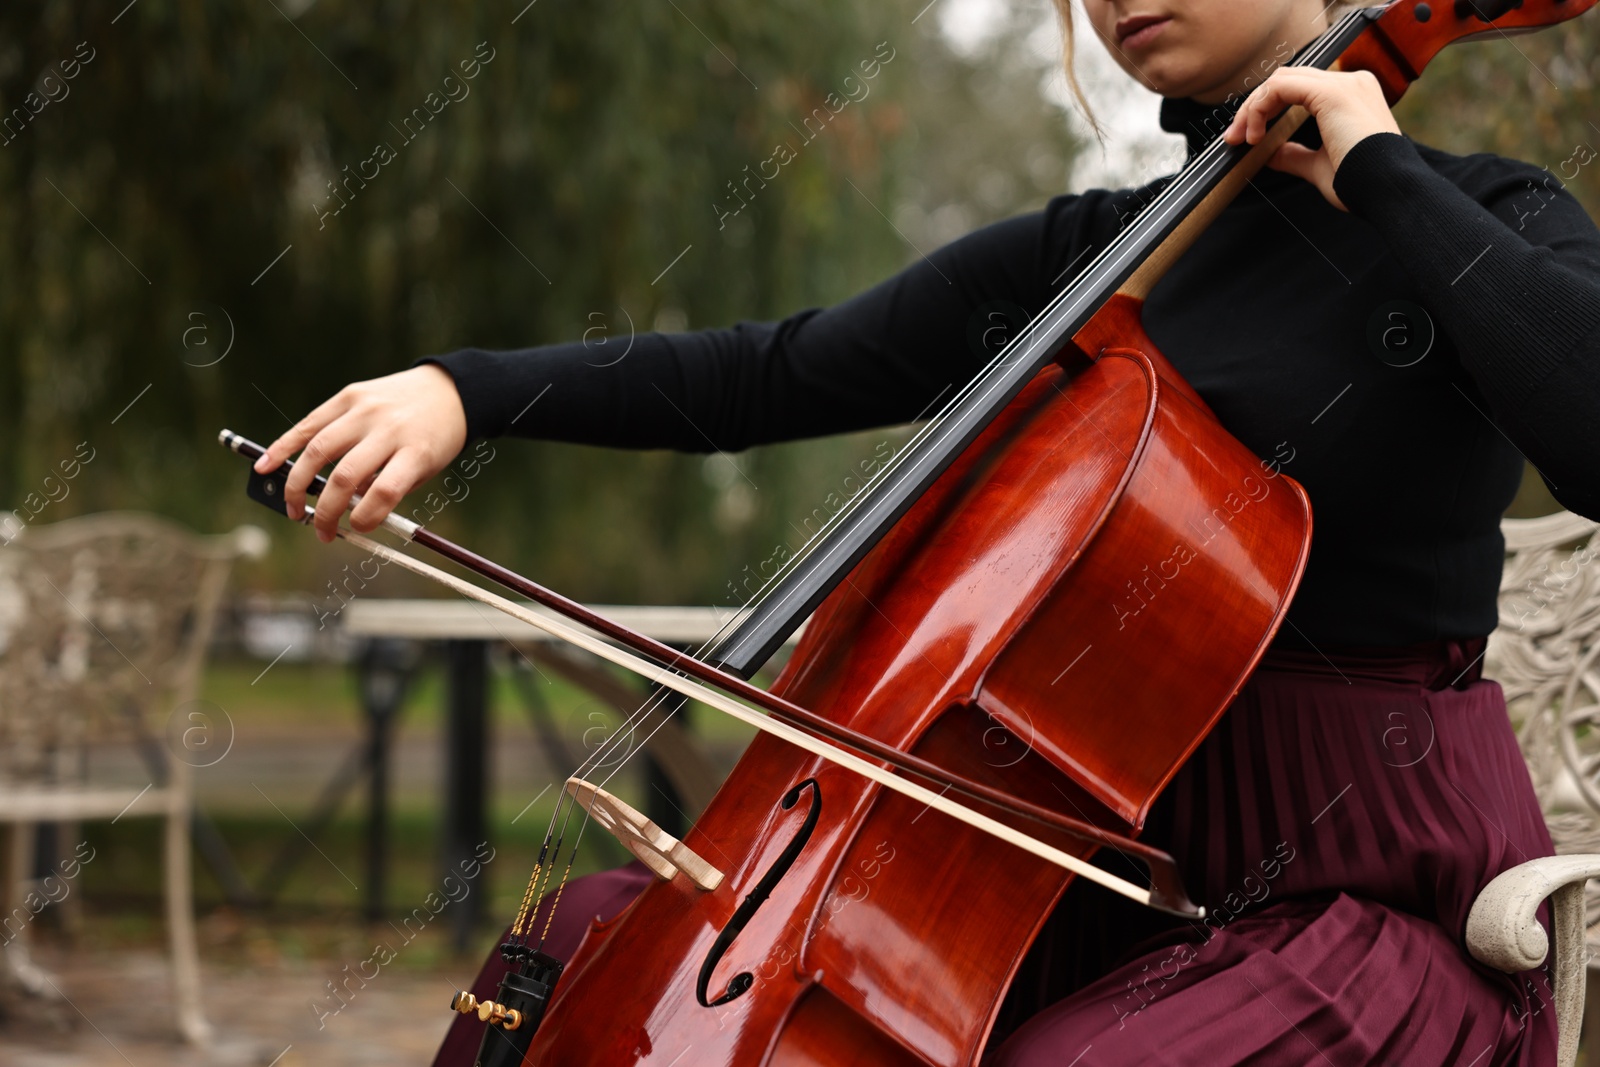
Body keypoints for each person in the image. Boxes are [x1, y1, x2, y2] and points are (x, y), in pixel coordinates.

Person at [259, 0, 1600, 1061]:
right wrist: (463, 392)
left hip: (1361, 904)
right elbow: (766, 374)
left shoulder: (1483, 216)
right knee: (593, 947)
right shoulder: (1085, 263)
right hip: (1077, 865)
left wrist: (1381, 171)